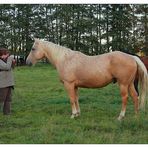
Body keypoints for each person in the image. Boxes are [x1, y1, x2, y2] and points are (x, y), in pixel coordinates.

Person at [0, 47, 15, 115]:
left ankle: (7, 113)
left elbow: (11, 68)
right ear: (1, 55)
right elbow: (7, 67)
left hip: (9, 82)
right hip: (2, 83)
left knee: (8, 99)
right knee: (1, 99)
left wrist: (13, 63)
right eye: (6, 54)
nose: (8, 56)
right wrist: (10, 58)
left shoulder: (6, 60)